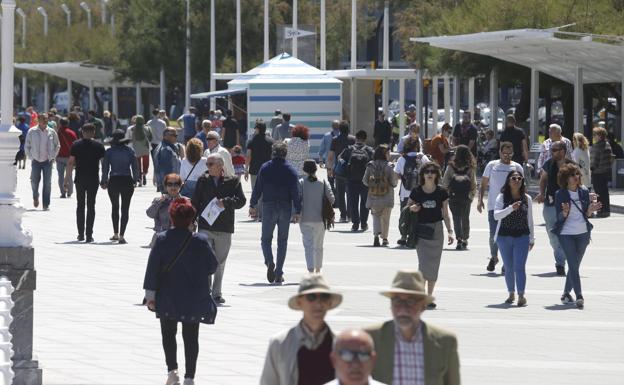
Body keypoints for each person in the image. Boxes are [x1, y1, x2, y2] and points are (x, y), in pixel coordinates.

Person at [143, 198, 218, 385]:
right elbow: (212, 266)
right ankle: (190, 377)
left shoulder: (162, 239)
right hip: (194, 297)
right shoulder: (200, 241)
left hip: (168, 295)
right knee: (191, 337)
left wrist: (150, 296)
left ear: (172, 218)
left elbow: (152, 269)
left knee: (168, 334)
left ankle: (172, 371)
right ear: (192, 219)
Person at [366, 270, 460, 385]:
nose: (403, 308)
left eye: (410, 301)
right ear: (390, 305)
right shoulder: (370, 338)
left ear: (423, 306)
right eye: (397, 301)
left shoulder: (445, 342)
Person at [260, 274, 342, 385]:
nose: (318, 303)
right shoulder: (280, 344)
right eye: (311, 297)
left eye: (323, 297)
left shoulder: (342, 345)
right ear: (299, 302)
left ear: (329, 303)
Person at [191, 153, 246, 304]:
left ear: (220, 166)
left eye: (210, 164)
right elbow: (195, 201)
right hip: (205, 226)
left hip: (224, 227)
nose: (207, 168)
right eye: (206, 164)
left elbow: (241, 201)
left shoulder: (233, 181)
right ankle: (206, 291)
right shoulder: (203, 180)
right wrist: (191, 219)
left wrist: (226, 202)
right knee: (205, 260)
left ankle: (217, 293)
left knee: (220, 263)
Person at [249, 142, 301, 284]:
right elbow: (295, 192)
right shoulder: (291, 170)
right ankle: (278, 273)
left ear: (273, 153)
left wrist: (252, 204)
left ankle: (269, 262)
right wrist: (298, 210)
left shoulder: (265, 167)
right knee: (282, 241)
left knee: (265, 239)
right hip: (285, 206)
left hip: (268, 205)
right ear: (286, 154)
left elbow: (258, 188)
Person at [554, 163, 601, 309]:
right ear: (565, 179)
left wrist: (590, 211)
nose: (576, 177)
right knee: (573, 265)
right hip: (566, 234)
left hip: (583, 234)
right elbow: (559, 217)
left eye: (577, 174)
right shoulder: (560, 194)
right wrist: (565, 213)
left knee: (575, 266)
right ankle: (579, 295)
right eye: (572, 175)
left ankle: (566, 293)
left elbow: (586, 214)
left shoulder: (584, 191)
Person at [406, 162, 453, 306]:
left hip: (437, 230)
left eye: (433, 171)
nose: (430, 174)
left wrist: (450, 231)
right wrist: (412, 208)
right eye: (427, 171)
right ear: (423, 174)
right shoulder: (417, 191)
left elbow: (445, 213)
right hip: (421, 230)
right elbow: (407, 208)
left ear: (437, 174)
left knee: (434, 265)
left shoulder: (441, 192)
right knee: (423, 264)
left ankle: (429, 296)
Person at [477, 142, 524, 273]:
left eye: (510, 154)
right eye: (504, 154)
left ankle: (507, 261)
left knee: (509, 235)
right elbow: (484, 183)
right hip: (494, 206)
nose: (507, 156)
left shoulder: (517, 167)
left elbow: (522, 186)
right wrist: (480, 200)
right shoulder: (492, 165)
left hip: (512, 206)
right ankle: (494, 257)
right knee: (494, 234)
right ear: (500, 153)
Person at [493, 170, 535, 306]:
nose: (516, 181)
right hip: (504, 236)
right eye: (513, 178)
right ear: (508, 181)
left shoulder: (527, 198)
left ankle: (521, 295)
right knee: (509, 267)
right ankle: (511, 293)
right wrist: (511, 208)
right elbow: (496, 215)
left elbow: (530, 220)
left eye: (519, 178)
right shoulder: (502, 197)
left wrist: (532, 238)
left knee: (520, 267)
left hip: (522, 236)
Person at [535, 141, 575, 276]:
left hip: (567, 204)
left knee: (564, 234)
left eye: (555, 150)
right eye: (552, 150)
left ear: (563, 151)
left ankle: (560, 264)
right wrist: (541, 193)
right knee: (553, 235)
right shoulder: (549, 163)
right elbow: (543, 179)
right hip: (550, 204)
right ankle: (560, 256)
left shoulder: (571, 165)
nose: (553, 152)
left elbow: (578, 182)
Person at [64, 123, 106, 242]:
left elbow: (71, 163)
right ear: (93, 132)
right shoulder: (99, 146)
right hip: (93, 179)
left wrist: (66, 179)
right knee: (91, 206)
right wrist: (104, 179)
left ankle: (80, 234)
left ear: (82, 132)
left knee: (80, 205)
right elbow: (104, 164)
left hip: (80, 179)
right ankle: (89, 235)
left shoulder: (76, 145)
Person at [101, 130, 140, 244]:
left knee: (115, 207)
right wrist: (136, 179)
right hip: (127, 180)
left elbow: (105, 168)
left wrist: (104, 181)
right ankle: (122, 235)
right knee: (125, 209)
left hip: (114, 180)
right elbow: (135, 167)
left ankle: (115, 233)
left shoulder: (109, 152)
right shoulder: (130, 151)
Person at [299, 160, 335, 273]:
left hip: (304, 218)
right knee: (319, 246)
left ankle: (310, 269)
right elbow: (332, 199)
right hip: (321, 219)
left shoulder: (300, 182)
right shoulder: (323, 182)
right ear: (316, 169)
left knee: (308, 245)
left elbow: (297, 200)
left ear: (304, 170)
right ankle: (318, 269)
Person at [442, 144, 477, 250]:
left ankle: (459, 239)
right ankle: (465, 238)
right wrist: (471, 195)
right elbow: (473, 183)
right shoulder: (470, 167)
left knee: (456, 217)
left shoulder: (451, 166)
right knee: (465, 218)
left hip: (453, 196)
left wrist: (447, 192)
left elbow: (445, 181)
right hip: (466, 197)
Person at [362, 145, 398, 247]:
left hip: (373, 196)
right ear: (385, 154)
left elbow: (365, 180)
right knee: (386, 218)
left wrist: (373, 185)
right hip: (387, 197)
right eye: (388, 153)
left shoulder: (370, 165)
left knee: (376, 217)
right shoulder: (390, 166)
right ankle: (385, 238)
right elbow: (394, 183)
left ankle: (376, 235)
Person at [340, 130, 375, 232]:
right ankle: (364, 224)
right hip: (366, 180)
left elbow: (340, 159)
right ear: (365, 139)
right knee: (364, 202)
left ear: (356, 138)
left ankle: (355, 224)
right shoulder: (369, 150)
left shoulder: (349, 149)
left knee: (353, 202)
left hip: (351, 180)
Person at [24, 113, 60, 210]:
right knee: (34, 182)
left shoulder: (52, 132)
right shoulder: (32, 131)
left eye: (46, 119)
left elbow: (57, 145)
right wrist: (31, 157)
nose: (45, 120)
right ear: (38, 119)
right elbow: (27, 146)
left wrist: (53, 156)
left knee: (47, 183)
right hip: (36, 161)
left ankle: (46, 204)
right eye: (43, 119)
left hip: (47, 161)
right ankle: (35, 196)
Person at [245, 120, 275, 221]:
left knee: (255, 191)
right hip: (269, 170)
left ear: (257, 129)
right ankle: (264, 213)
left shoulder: (251, 141)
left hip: (254, 170)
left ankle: (256, 213)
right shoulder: (271, 141)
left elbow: (249, 156)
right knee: (266, 191)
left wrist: (246, 169)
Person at [327, 121, 356, 222]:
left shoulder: (335, 139)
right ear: (348, 129)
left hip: (339, 169)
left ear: (339, 129)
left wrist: (330, 169)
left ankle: (343, 215)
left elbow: (330, 156)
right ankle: (350, 214)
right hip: (351, 169)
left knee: (340, 193)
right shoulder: (353, 139)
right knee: (350, 192)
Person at [394, 137, 430, 209]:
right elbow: (430, 172)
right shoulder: (423, 158)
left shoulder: (402, 159)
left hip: (405, 193)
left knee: (405, 217)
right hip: (421, 193)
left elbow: (396, 175)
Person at [147, 173, 184, 243]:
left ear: (180, 186)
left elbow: (192, 222)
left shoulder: (186, 201)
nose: (173, 187)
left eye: (176, 184)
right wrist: (159, 202)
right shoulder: (158, 200)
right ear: (165, 186)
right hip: (160, 238)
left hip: (179, 239)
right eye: (169, 184)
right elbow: (149, 214)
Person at [590, 127, 613, 218]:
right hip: (605, 172)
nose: (594, 137)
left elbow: (594, 161)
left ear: (599, 136)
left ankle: (600, 210)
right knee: (605, 192)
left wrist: (591, 169)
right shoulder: (607, 145)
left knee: (598, 192)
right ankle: (606, 210)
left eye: (595, 135)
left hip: (597, 172)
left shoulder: (597, 146)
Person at [126, 115, 153, 186]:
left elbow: (128, 138)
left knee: (137, 165)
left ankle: (139, 179)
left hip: (135, 149)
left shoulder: (131, 128)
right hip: (146, 148)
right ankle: (144, 174)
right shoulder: (147, 128)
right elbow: (151, 138)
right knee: (145, 163)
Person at [55, 117, 78, 198]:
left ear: (60, 123)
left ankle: (63, 192)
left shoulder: (57, 133)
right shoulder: (72, 133)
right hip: (70, 158)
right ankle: (70, 192)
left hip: (59, 157)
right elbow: (76, 145)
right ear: (67, 124)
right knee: (69, 175)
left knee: (60, 176)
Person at [154, 127, 182, 193]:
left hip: (168, 185)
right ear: (166, 136)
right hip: (170, 186)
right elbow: (167, 171)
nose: (176, 137)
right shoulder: (166, 150)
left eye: (176, 135)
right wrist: (170, 185)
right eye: (174, 135)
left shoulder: (161, 146)